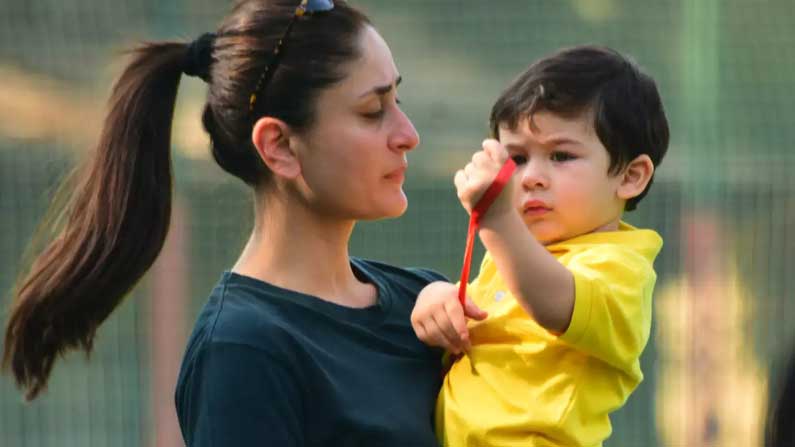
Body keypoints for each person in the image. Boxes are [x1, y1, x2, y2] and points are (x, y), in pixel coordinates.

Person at [3, 0, 447, 445]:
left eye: (398, 99)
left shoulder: (427, 306)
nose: (408, 134)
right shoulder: (244, 351)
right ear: (279, 146)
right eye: (373, 111)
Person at [410, 45, 670, 446]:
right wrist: (438, 299)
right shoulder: (513, 253)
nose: (531, 177)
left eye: (561, 155)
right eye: (516, 158)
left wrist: (497, 221)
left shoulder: (621, 268)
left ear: (630, 176)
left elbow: (553, 304)